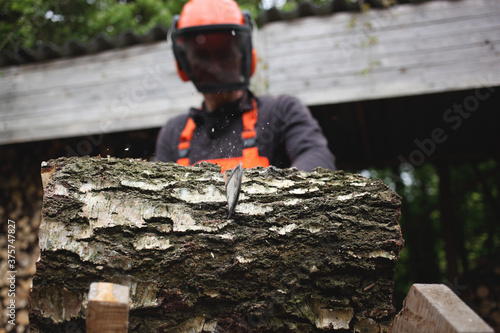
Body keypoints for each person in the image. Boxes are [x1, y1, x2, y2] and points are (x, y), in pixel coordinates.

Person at [155, 0, 336, 172]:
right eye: (202, 55)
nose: (214, 66)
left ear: (244, 55)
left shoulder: (281, 112)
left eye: (224, 54)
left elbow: (317, 158)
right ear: (184, 63)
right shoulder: (174, 133)